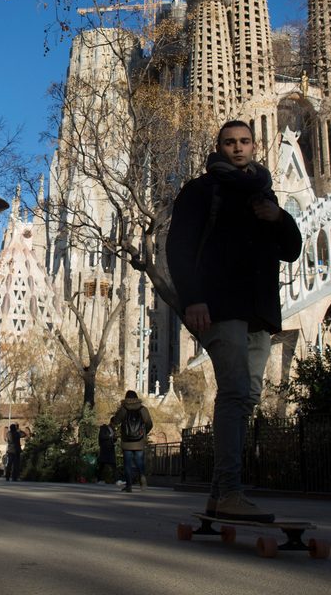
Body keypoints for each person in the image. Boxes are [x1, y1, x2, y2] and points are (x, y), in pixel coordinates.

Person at [166, 120, 302, 522]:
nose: (238, 148)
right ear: (219, 147)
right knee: (235, 391)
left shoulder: (264, 194)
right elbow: (178, 248)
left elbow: (291, 251)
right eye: (230, 142)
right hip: (220, 308)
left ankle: (217, 495)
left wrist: (278, 217)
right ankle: (231, 491)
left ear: (254, 145)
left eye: (244, 142)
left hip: (259, 312)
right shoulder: (200, 191)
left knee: (248, 397)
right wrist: (192, 300)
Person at [110, 390, 152, 492]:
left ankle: (129, 486)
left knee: (127, 464)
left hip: (127, 441)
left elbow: (115, 421)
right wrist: (143, 434)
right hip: (139, 441)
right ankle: (142, 479)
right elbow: (149, 423)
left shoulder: (124, 409)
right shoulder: (143, 409)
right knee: (139, 462)